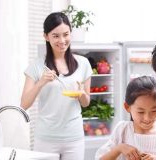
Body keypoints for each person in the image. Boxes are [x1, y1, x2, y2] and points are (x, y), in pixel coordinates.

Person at [20, 12, 92, 160]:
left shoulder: (83, 64)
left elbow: (86, 103)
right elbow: (24, 104)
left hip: (74, 138)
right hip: (45, 138)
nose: (62, 40)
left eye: (66, 34)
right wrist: (41, 83)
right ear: (46, 36)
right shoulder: (37, 65)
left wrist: (81, 94)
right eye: (55, 36)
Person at [95, 76, 156, 160]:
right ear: (127, 107)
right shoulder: (123, 129)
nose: (147, 118)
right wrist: (119, 148)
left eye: (153, 111)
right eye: (141, 112)